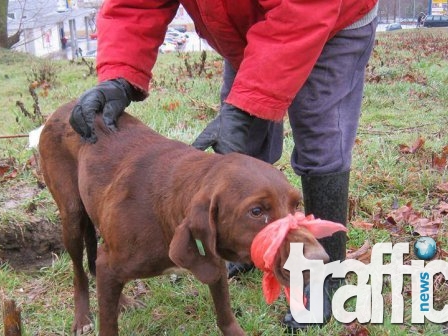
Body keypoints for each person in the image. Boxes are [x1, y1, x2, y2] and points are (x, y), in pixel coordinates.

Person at [68, 0, 378, 330]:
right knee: (241, 149)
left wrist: (248, 103)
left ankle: (323, 279)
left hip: (330, 21)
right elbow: (135, 4)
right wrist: (120, 74)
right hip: (247, 31)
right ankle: (247, 247)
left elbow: (305, 8)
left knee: (322, 143)